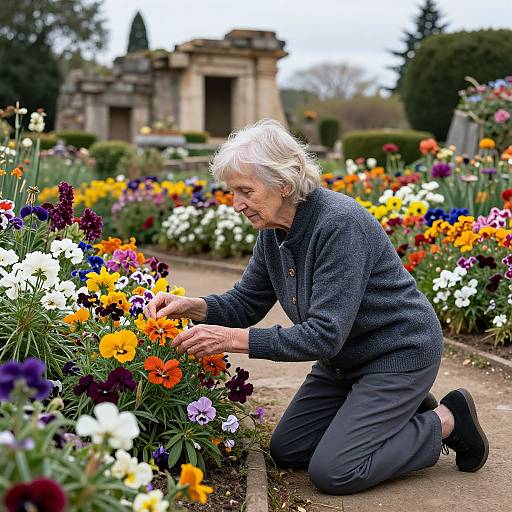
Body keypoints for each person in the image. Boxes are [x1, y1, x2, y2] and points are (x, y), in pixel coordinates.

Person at [144, 119, 489, 495]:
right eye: (232, 191)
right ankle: (402, 408)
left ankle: (445, 419)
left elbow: (323, 335)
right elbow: (246, 302)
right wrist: (193, 306)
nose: (236, 204)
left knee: (335, 471)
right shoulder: (274, 230)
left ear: (284, 185)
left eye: (245, 191)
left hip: (399, 353)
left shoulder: (339, 225)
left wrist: (230, 339)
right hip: (345, 360)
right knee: (289, 450)